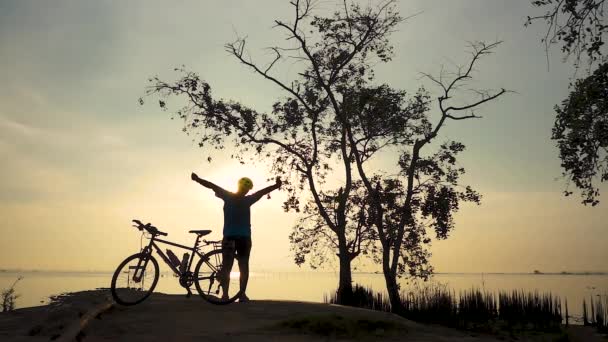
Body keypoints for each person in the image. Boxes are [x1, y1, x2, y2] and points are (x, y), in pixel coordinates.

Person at [191, 172, 282, 302]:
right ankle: (241, 295)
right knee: (243, 266)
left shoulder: (228, 196)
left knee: (227, 267)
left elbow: (211, 186)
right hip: (244, 238)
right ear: (246, 189)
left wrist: (198, 180)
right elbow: (262, 192)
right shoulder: (247, 199)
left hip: (230, 237)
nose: (245, 191)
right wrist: (276, 185)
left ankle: (226, 295)